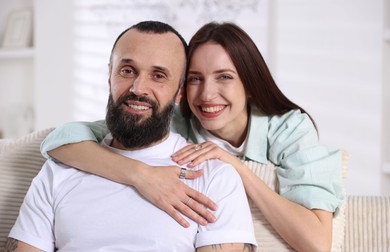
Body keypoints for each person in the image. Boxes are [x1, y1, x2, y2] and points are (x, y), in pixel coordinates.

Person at [39, 22, 344, 251]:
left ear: (250, 84)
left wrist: (236, 167)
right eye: (196, 79)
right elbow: (61, 140)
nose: (207, 94)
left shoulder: (289, 128)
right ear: (181, 89)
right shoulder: (172, 121)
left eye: (224, 77)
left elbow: (316, 242)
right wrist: (140, 175)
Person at [5, 21, 257, 252]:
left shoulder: (214, 178)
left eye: (158, 76)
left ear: (179, 93)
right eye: (127, 70)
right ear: (109, 76)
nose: (137, 88)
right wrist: (140, 175)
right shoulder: (58, 171)